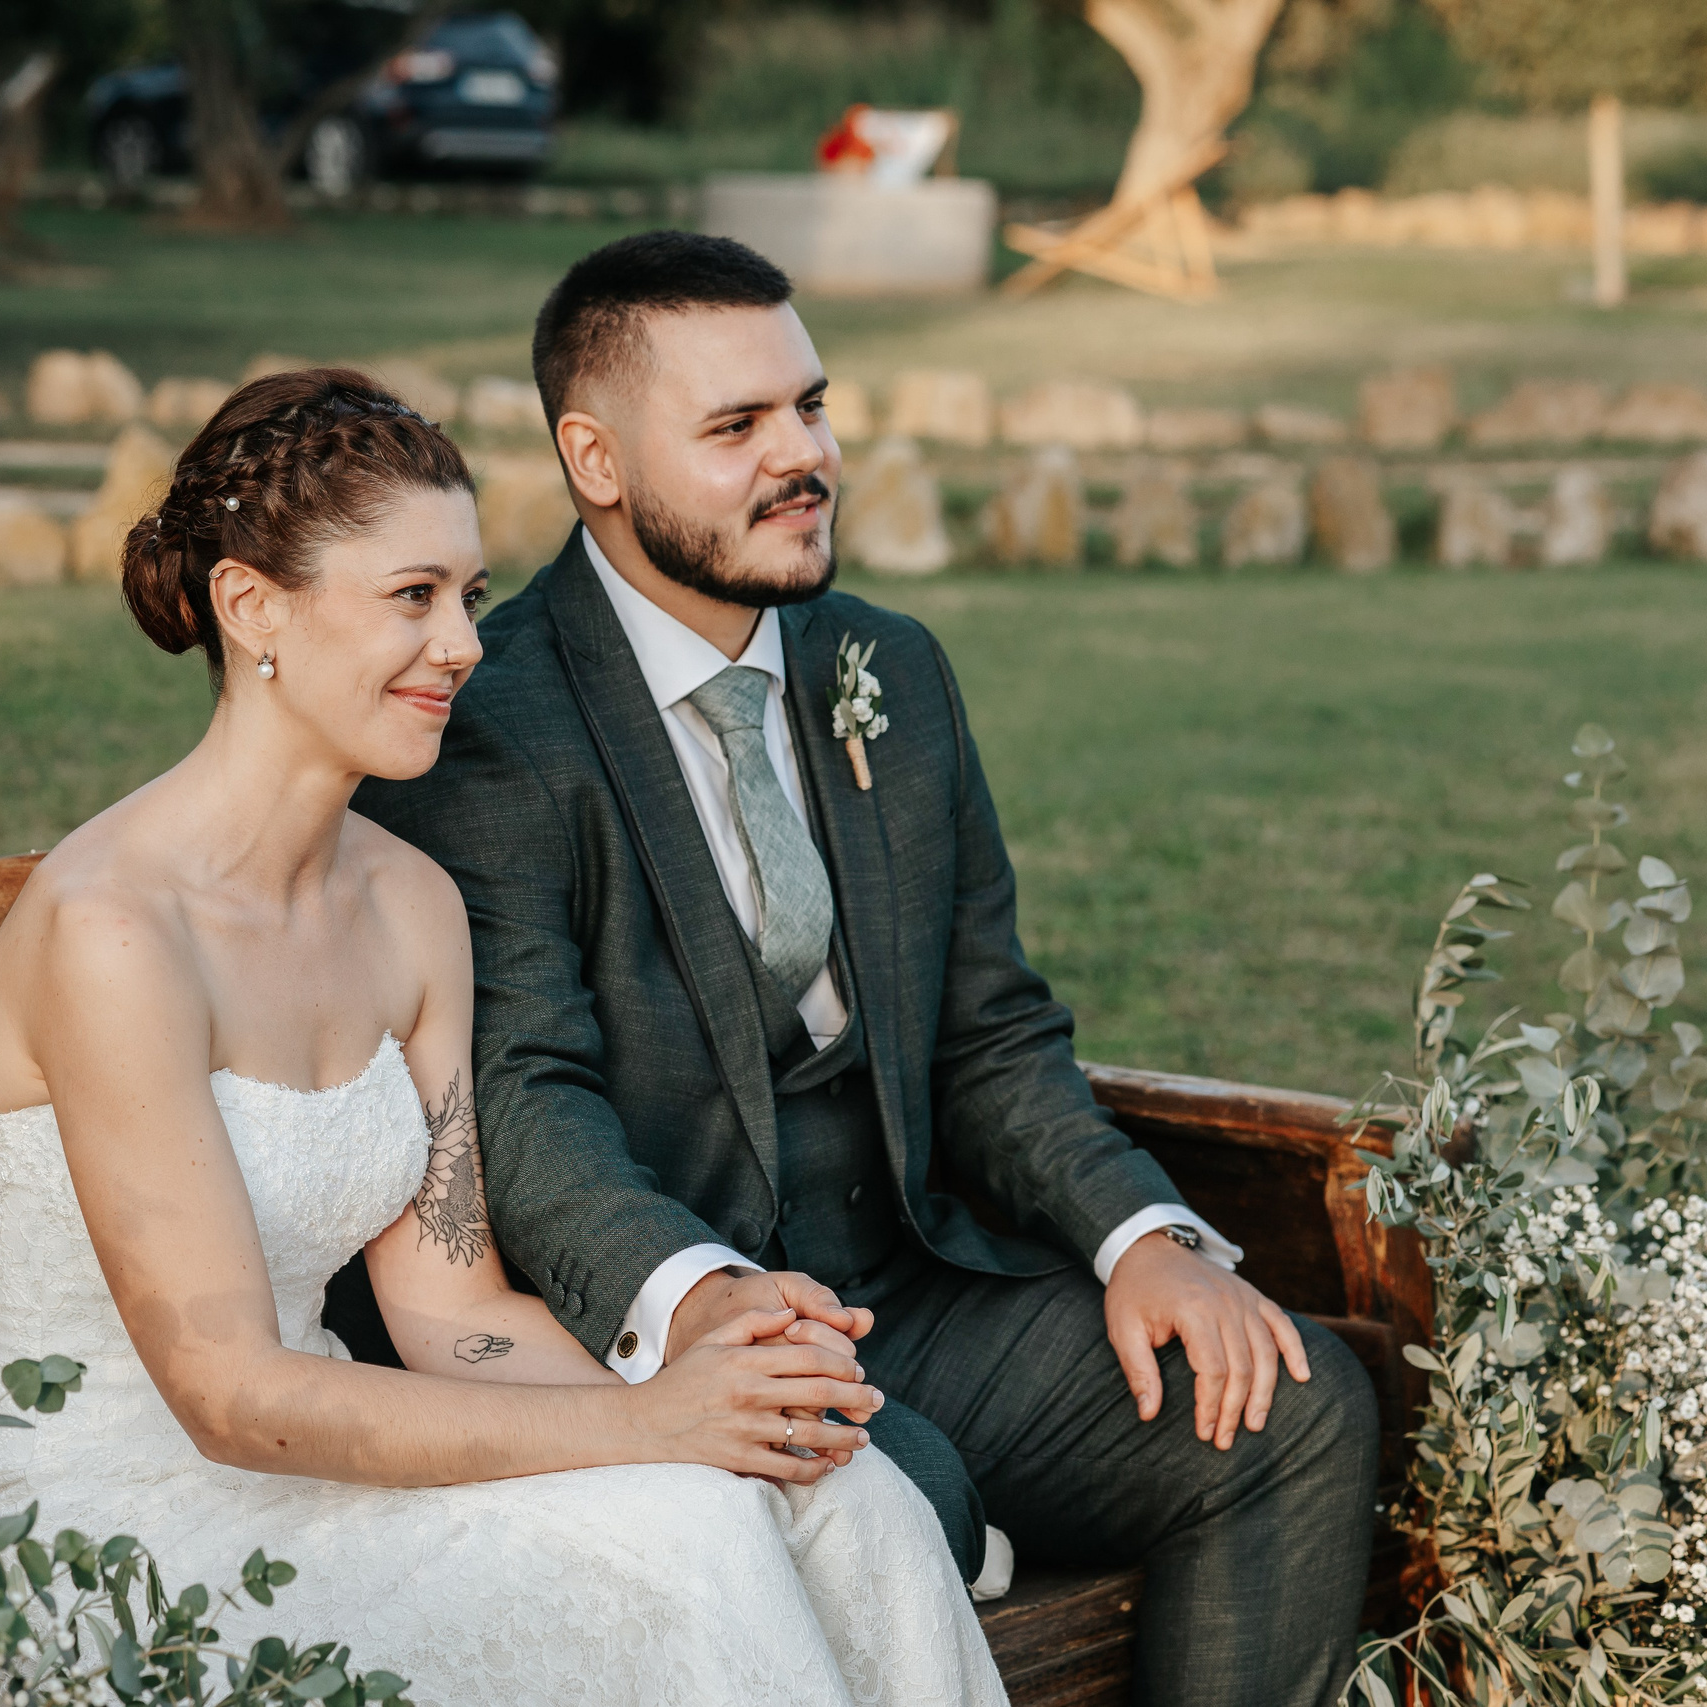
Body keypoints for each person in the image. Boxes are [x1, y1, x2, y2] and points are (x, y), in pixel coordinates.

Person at [351, 233, 1382, 1707]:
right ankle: (960, 1516)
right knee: (910, 1500)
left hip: (918, 1288)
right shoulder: (493, 725)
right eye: (737, 428)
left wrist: (1140, 1235)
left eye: (811, 407)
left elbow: (989, 1030)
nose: (804, 456)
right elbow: (521, 1100)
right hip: (672, 1333)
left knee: (1293, 1408)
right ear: (595, 457)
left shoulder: (888, 670)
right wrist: (701, 1299)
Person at [0, 366, 1005, 1707]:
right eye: (411, 598)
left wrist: (711, 1394)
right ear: (250, 606)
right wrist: (643, 1430)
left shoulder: (409, 910)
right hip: (130, 1528)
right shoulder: (117, 932)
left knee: (836, 1496)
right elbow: (226, 1395)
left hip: (317, 1472)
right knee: (685, 1533)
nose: (462, 645)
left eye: (471, 599)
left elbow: (451, 1311)